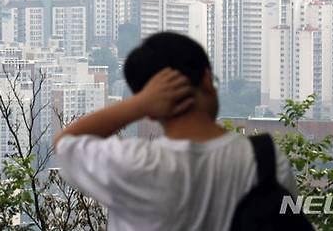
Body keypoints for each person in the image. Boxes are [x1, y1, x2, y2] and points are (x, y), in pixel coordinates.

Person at [54, 32, 298, 231]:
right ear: (206, 79)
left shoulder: (131, 164)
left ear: (151, 108)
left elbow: (66, 142)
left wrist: (138, 105)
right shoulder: (266, 162)